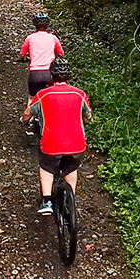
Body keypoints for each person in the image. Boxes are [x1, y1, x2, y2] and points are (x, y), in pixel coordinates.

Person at [21, 58, 92, 216]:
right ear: (68, 75)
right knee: (70, 167)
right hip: (77, 144)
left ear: (51, 75)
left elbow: (28, 112)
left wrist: (24, 121)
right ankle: (70, 199)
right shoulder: (79, 94)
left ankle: (47, 201)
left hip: (51, 145)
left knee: (46, 167)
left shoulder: (43, 95)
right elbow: (88, 116)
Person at [20, 12, 64, 109]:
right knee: (51, 97)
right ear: (47, 25)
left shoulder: (30, 38)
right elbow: (61, 54)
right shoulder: (53, 38)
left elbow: (22, 54)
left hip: (35, 74)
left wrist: (22, 59)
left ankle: (28, 119)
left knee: (32, 97)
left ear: (35, 25)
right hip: (49, 73)